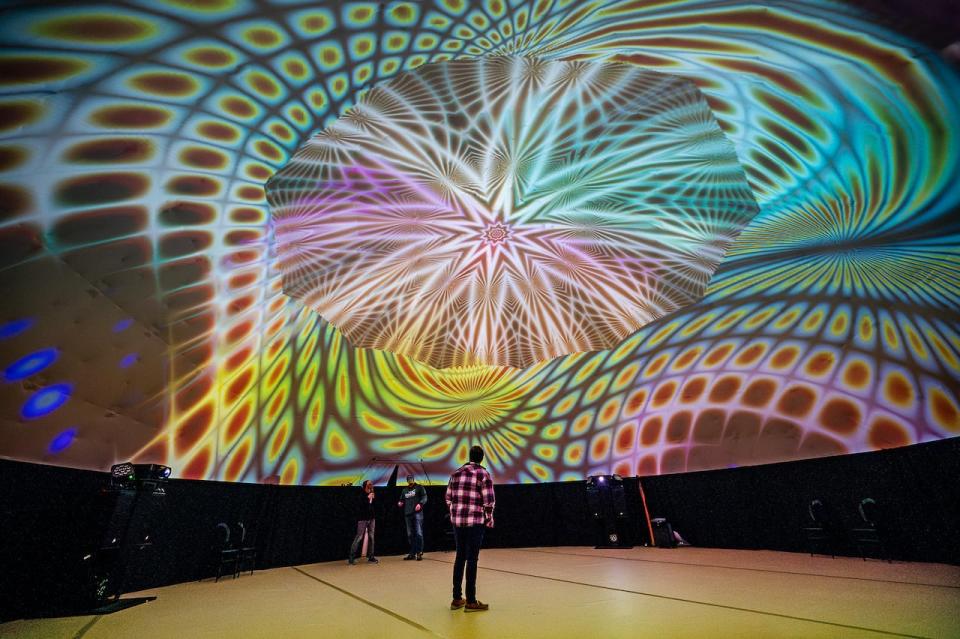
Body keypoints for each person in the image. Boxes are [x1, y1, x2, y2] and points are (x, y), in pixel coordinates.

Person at [446, 445, 495, 612]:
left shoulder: (455, 473)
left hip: (458, 521)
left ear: (469, 456)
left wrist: (456, 513)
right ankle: (471, 601)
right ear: (481, 458)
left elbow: (448, 498)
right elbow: (489, 501)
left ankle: (457, 598)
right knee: (472, 559)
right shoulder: (483, 474)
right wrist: (489, 519)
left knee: (460, 557)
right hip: (475, 521)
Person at [348, 480, 379, 564]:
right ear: (366, 485)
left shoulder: (372, 493)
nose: (371, 485)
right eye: (369, 484)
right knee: (359, 537)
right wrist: (367, 498)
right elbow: (360, 506)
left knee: (371, 537)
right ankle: (351, 558)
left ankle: (371, 557)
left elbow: (373, 506)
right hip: (362, 518)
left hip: (371, 518)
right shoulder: (361, 494)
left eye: (372, 484)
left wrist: (373, 498)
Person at [397, 473, 427, 560]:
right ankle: (412, 552)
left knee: (418, 533)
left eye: (411, 479)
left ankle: (419, 552)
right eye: (408, 479)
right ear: (407, 480)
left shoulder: (419, 487)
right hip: (408, 514)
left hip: (417, 513)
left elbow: (424, 497)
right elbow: (401, 499)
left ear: (413, 479)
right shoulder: (404, 490)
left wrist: (420, 504)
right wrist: (400, 503)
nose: (410, 480)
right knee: (410, 534)